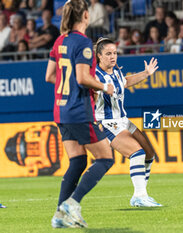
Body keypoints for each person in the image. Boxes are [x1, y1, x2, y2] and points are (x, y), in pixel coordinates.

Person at [45, 0, 115, 228]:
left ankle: (59, 216)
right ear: (86, 15)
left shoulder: (60, 41)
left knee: (77, 161)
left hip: (61, 110)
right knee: (105, 158)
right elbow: (82, 77)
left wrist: (79, 86)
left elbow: (50, 76)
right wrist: (104, 87)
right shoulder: (83, 43)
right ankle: (72, 203)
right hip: (78, 111)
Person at [94, 38, 162, 207]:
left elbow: (125, 82)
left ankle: (141, 195)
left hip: (124, 120)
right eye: (108, 54)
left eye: (115, 53)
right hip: (108, 122)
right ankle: (140, 196)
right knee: (136, 153)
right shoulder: (93, 76)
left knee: (149, 154)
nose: (113, 57)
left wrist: (146, 73)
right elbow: (86, 96)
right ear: (99, 56)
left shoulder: (115, 72)